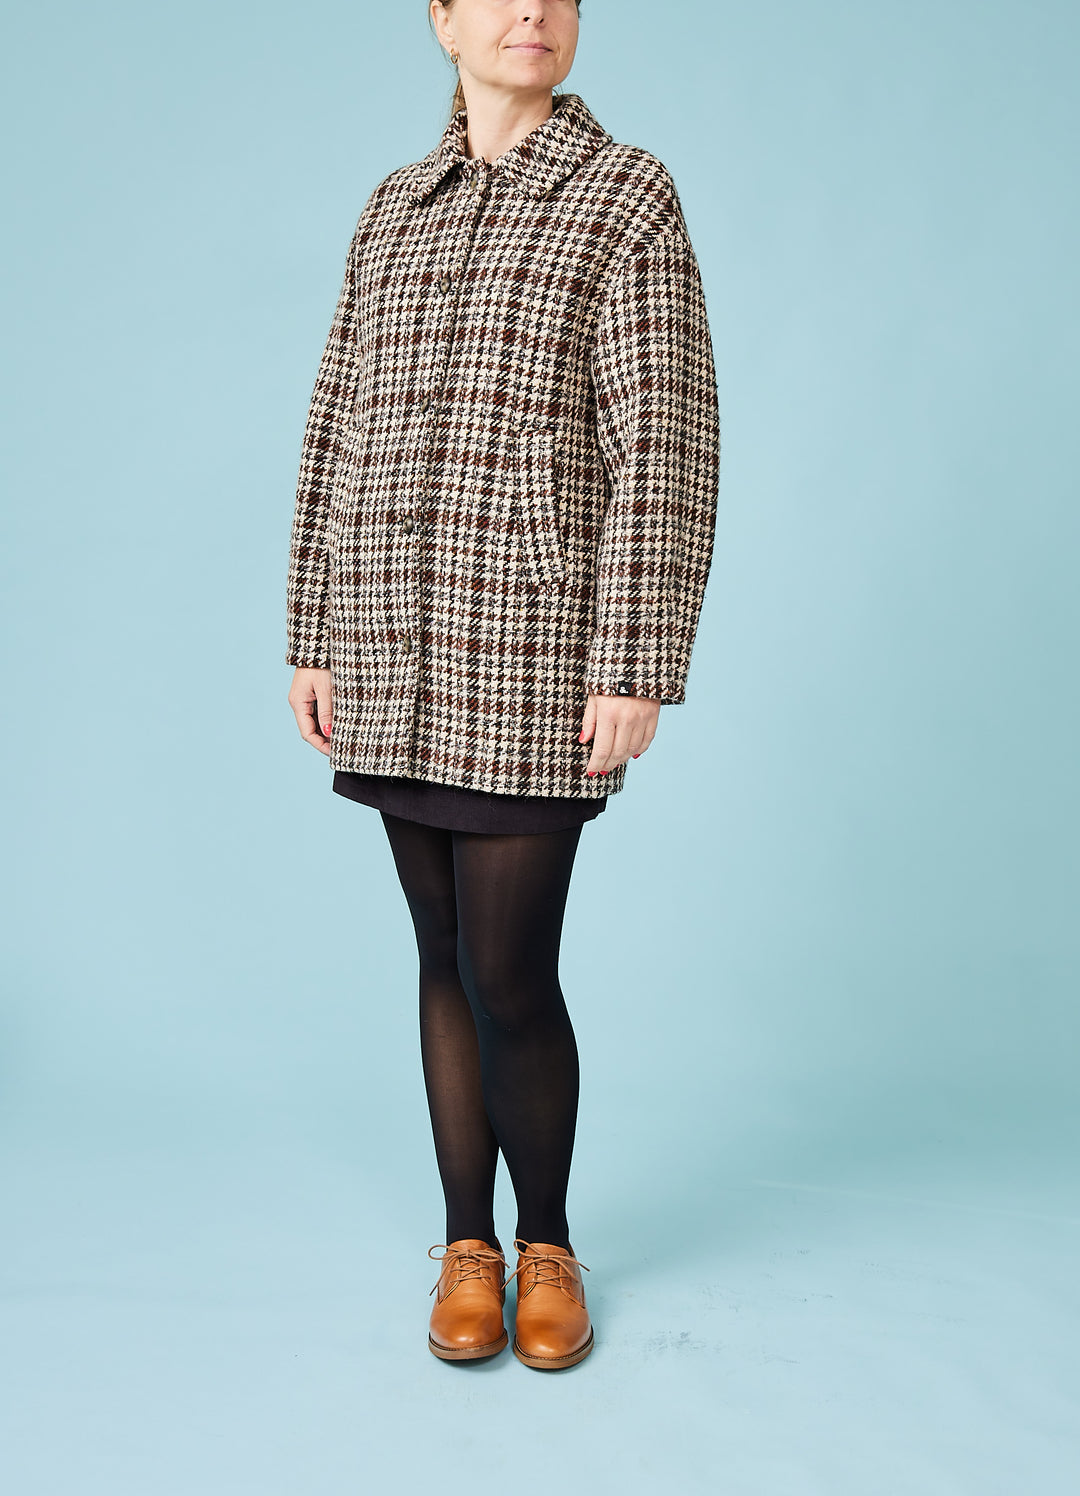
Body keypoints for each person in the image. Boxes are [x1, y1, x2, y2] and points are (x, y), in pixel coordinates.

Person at [285, 0, 720, 1371]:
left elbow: (666, 442)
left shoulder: (626, 195)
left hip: (531, 648)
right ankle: (465, 1244)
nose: (530, 12)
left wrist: (638, 659)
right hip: (388, 634)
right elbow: (336, 417)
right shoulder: (393, 208)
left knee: (509, 969)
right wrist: (313, 628)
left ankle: (548, 1245)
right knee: (440, 958)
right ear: (443, 21)